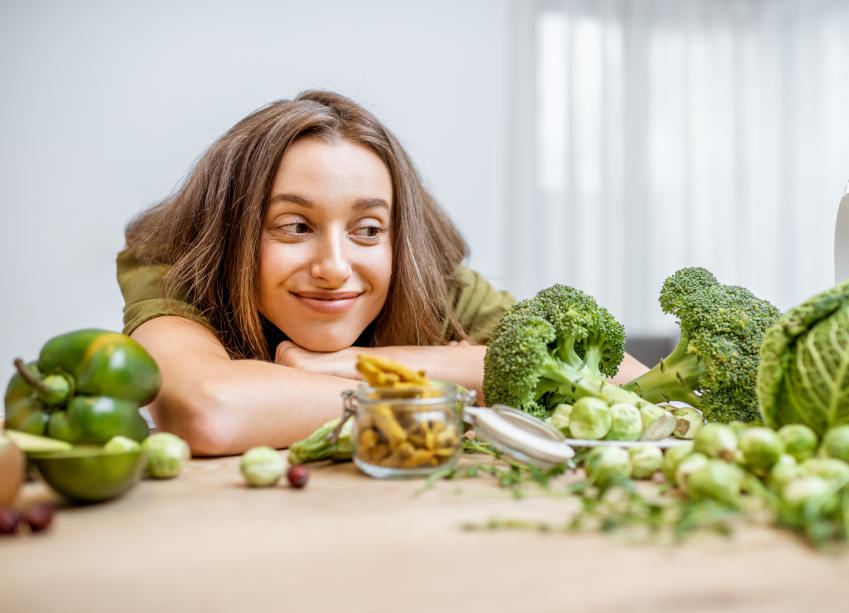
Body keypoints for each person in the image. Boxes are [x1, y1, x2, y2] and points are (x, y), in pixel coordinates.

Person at [118, 90, 647, 455]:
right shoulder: (173, 267)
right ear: (233, 229)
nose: (334, 268)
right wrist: (456, 383)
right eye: (295, 226)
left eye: (369, 230)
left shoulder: (433, 284)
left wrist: (358, 364)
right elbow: (210, 410)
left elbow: (629, 383)